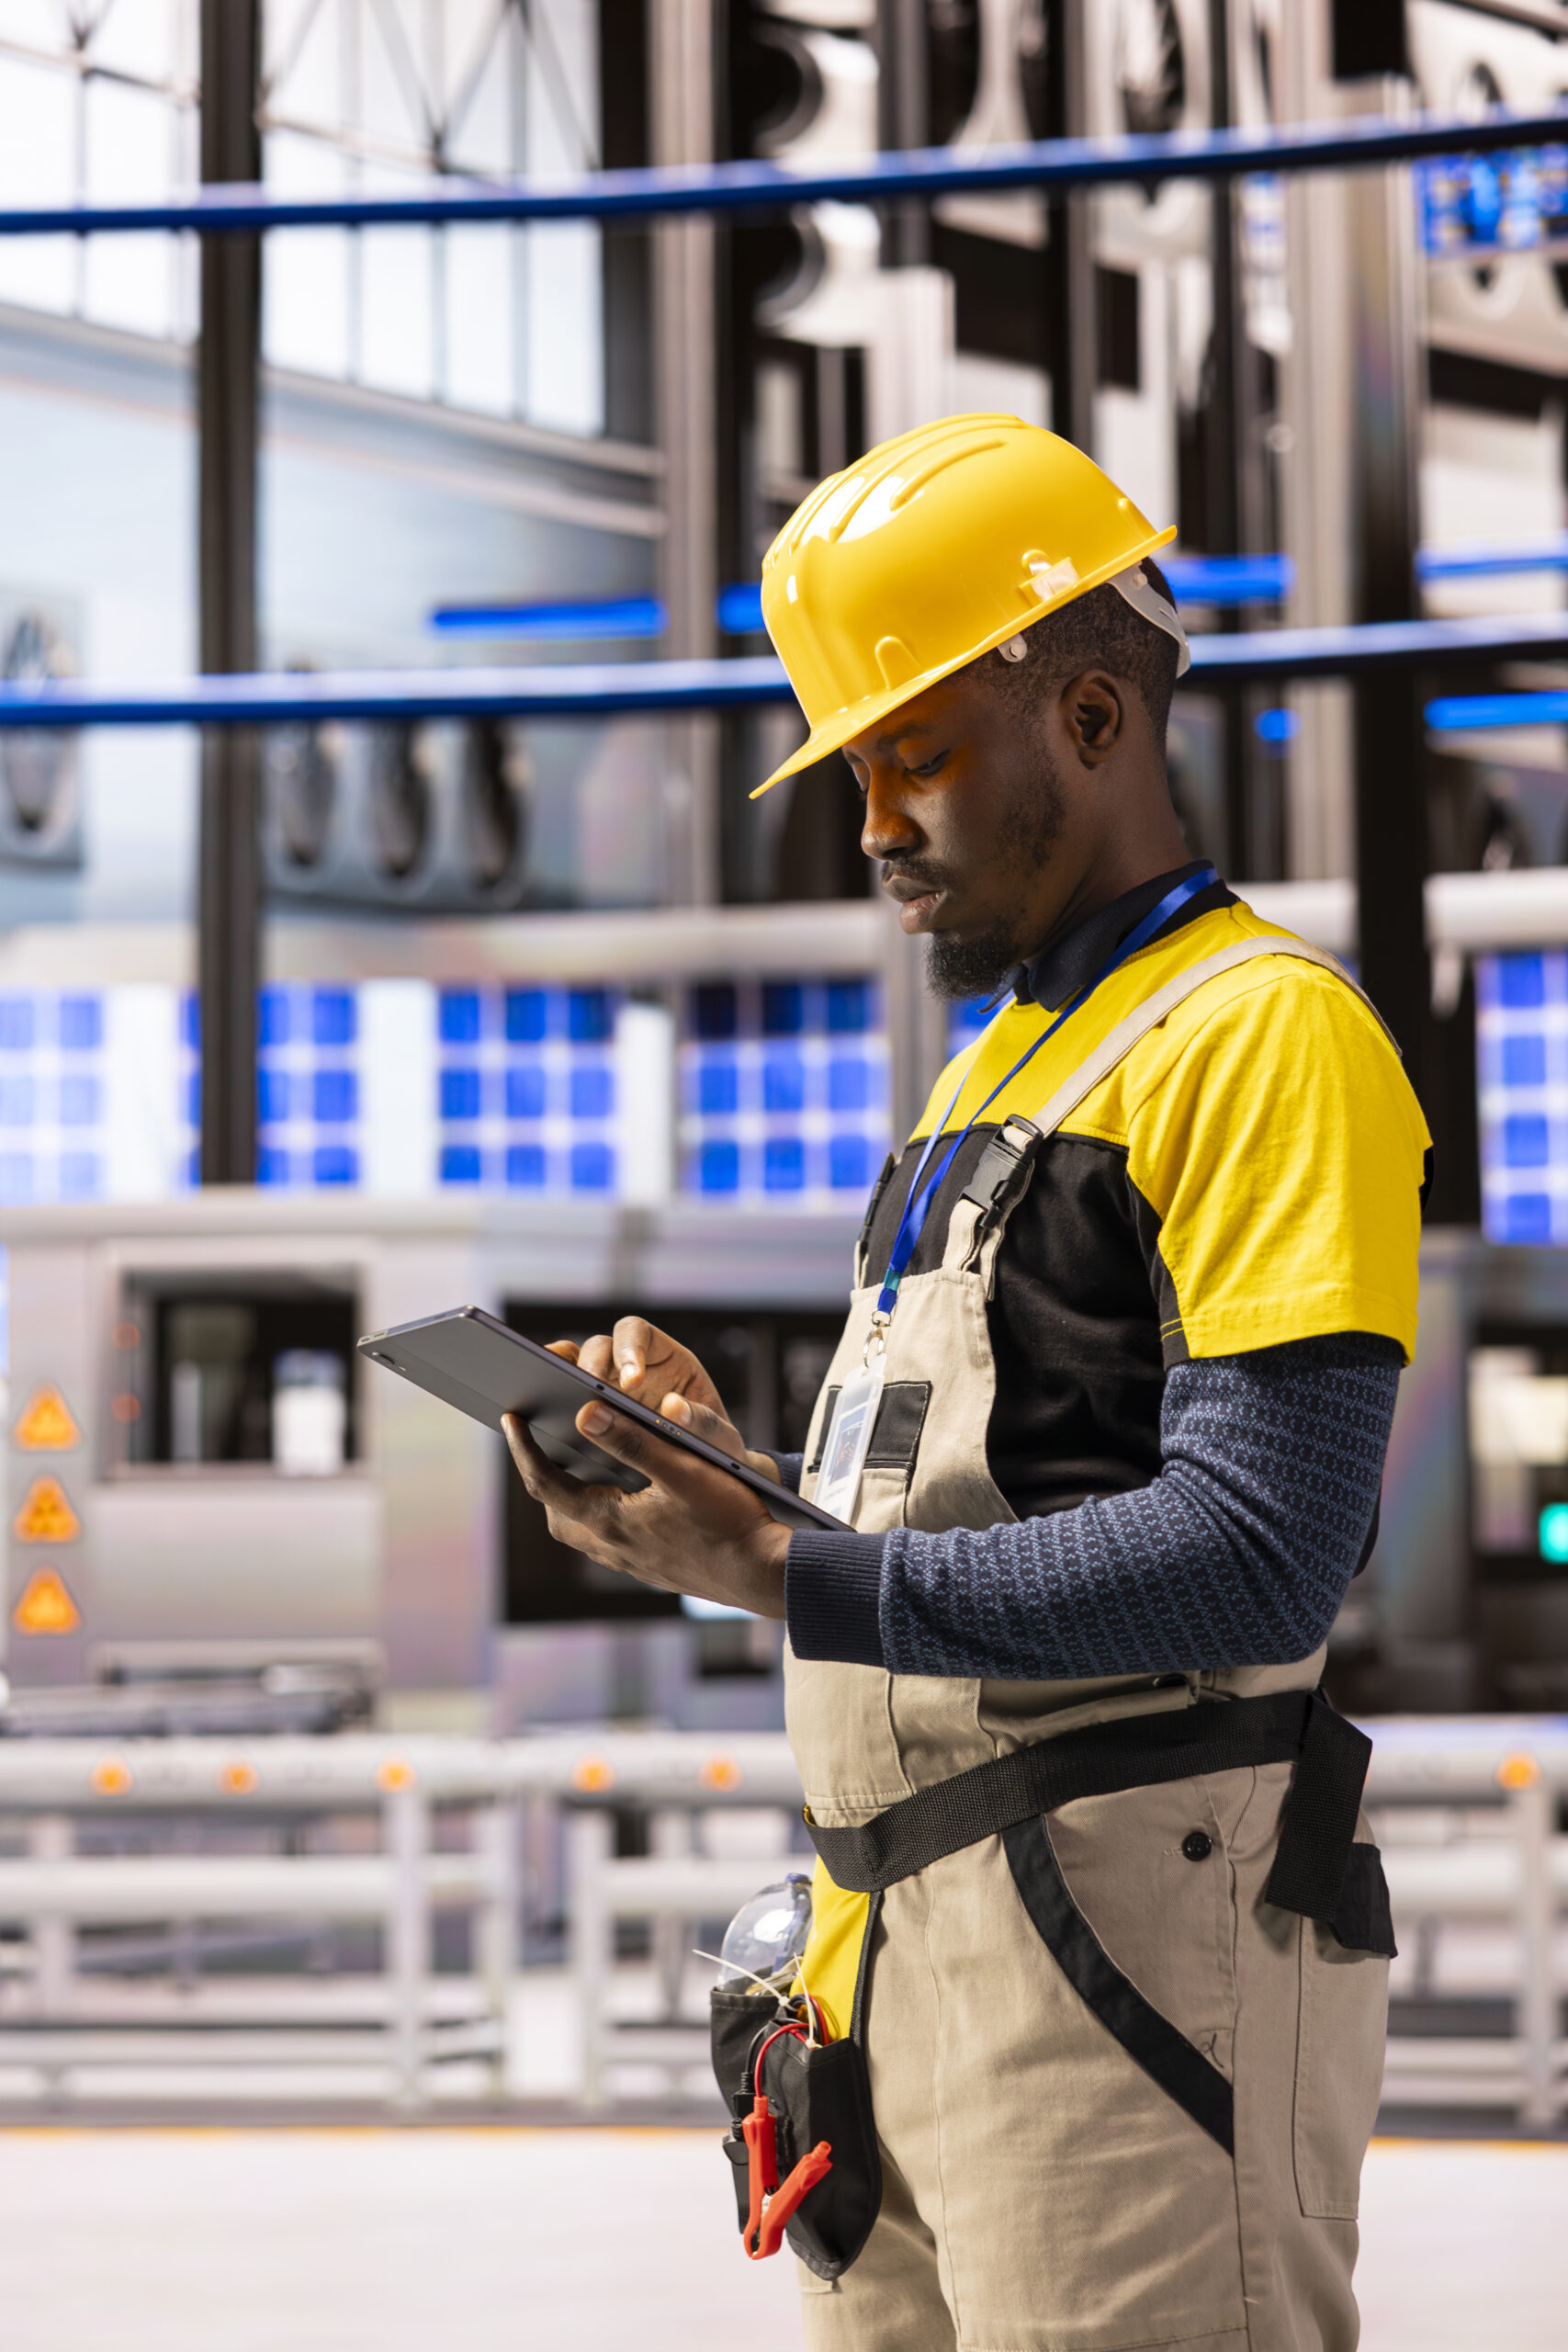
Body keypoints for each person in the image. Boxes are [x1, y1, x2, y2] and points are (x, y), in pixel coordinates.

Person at [503, 418, 1429, 2352]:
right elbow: (970, 1505)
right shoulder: (995, 1069)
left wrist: (785, 1569)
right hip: (900, 1952)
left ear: (1089, 717)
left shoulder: (1257, 1040)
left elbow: (1258, 1556)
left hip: (1121, 1964)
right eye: (850, 765)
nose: (868, 821)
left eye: (911, 750)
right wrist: (721, 1471)